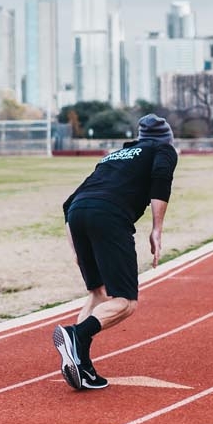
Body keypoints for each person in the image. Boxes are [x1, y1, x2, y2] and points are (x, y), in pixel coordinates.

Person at [53, 113, 178, 390]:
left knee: (97, 293)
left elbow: (68, 203)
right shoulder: (162, 149)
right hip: (109, 215)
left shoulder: (115, 155)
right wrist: (157, 229)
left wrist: (77, 248)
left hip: (78, 214)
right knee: (125, 302)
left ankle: (80, 364)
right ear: (166, 138)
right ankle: (76, 336)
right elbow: (161, 179)